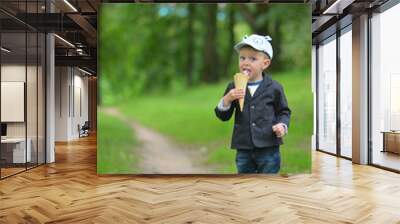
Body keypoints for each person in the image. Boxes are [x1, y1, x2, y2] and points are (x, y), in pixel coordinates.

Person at [214, 34, 291, 174]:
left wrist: (282, 125)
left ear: (265, 63)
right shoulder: (233, 86)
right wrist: (227, 100)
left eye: (253, 59)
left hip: (269, 146)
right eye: (242, 58)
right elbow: (223, 116)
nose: (246, 62)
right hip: (243, 147)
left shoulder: (274, 87)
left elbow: (284, 112)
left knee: (269, 182)